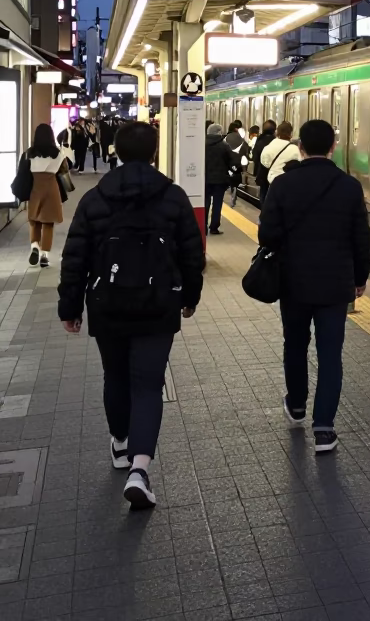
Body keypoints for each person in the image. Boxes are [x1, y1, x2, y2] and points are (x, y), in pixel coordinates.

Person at [57, 122, 204, 510]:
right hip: (158, 305)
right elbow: (192, 254)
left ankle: (120, 445)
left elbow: (75, 258)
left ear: (116, 152)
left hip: (109, 304)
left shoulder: (95, 198)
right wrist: (191, 296)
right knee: (148, 384)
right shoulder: (172, 197)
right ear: (155, 153)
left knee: (115, 375)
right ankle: (140, 469)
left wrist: (69, 308)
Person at [258, 119, 370, 453]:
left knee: (294, 344)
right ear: (333, 147)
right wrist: (359, 279)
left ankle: (295, 406)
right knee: (330, 354)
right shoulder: (350, 187)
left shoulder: (282, 185)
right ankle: (324, 430)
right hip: (335, 284)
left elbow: (267, 235)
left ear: (300, 147)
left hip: (293, 281)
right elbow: (361, 239)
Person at [25, 124, 72, 267]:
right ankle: (44, 255)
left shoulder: (29, 153)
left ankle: (34, 246)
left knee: (34, 220)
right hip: (52, 189)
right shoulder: (58, 154)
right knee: (48, 223)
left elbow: (23, 171)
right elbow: (64, 170)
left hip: (35, 189)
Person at [204, 123, 238, 235]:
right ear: (219, 132)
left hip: (205, 179)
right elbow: (232, 162)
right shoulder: (224, 146)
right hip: (220, 179)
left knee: (206, 202)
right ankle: (214, 227)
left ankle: (203, 226)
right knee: (217, 204)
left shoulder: (202, 144)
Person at [261, 121, 300, 188]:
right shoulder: (295, 149)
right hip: (288, 183)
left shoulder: (268, 147)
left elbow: (264, 162)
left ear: (277, 133)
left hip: (271, 181)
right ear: (290, 133)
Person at [224, 121, 249, 208]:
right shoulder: (241, 138)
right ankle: (234, 189)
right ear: (236, 129)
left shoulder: (226, 138)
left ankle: (230, 188)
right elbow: (246, 149)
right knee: (236, 178)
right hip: (238, 163)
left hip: (228, 164)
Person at [251, 120, 277, 202]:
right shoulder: (275, 141)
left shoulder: (259, 141)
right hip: (274, 173)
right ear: (274, 130)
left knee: (263, 193)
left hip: (262, 172)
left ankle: (263, 212)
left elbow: (255, 157)